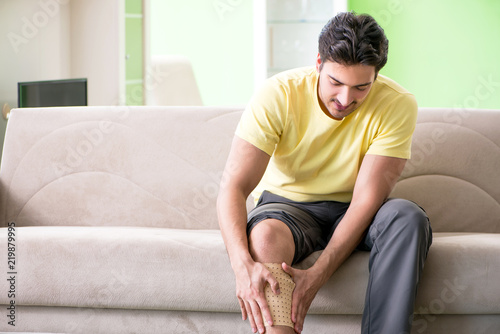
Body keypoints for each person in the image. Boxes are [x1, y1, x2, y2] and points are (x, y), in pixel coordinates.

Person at [217, 11, 432, 334]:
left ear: (376, 76)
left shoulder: (398, 104)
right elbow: (233, 186)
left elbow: (365, 201)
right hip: (289, 206)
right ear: (319, 62)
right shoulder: (278, 94)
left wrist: (319, 273)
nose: (346, 99)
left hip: (356, 207)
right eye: (335, 82)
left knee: (407, 218)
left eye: (361, 87)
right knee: (264, 236)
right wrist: (240, 264)